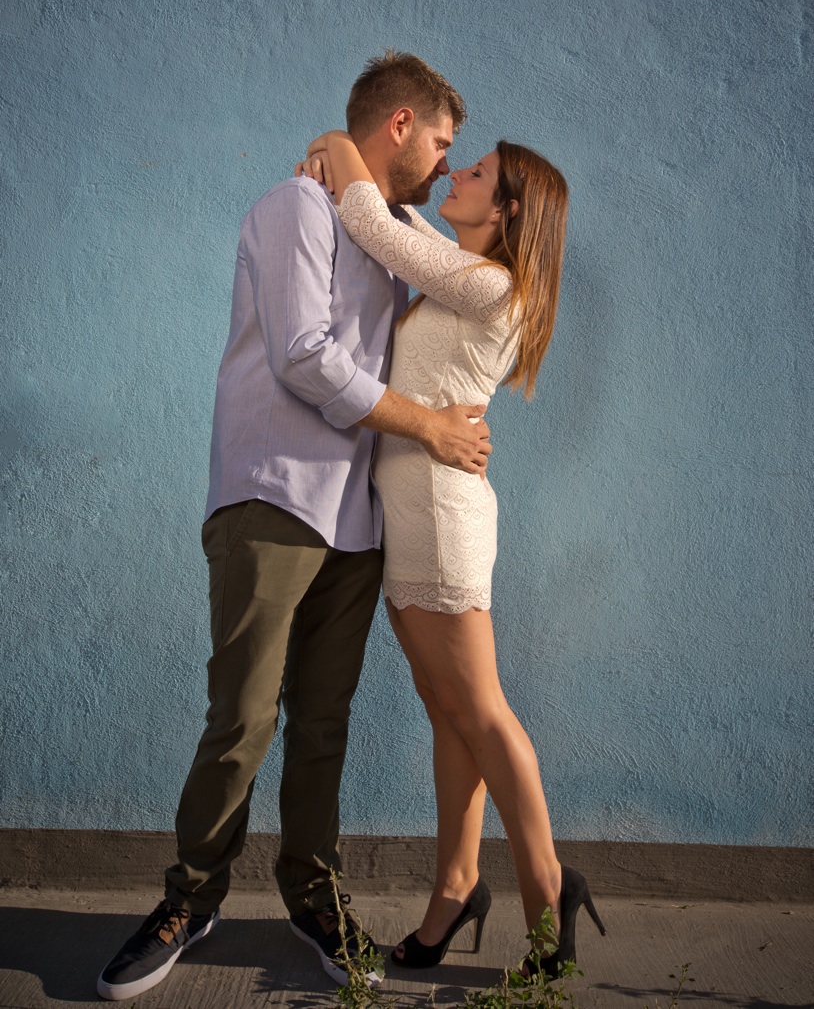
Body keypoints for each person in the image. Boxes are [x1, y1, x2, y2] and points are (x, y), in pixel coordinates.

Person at [95, 52, 494, 1002]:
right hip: (273, 497)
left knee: (324, 725)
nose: (448, 166)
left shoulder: (386, 230)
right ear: (399, 124)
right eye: (443, 142)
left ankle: (313, 898)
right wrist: (429, 424)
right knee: (242, 718)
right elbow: (306, 359)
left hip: (356, 522)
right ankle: (190, 898)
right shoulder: (297, 208)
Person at [299, 129, 606, 978]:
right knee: (452, 716)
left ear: (507, 211)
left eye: (475, 173)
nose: (455, 173)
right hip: (419, 515)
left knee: (482, 712)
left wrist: (334, 142)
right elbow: (403, 223)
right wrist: (392, 182)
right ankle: (456, 888)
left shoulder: (487, 284)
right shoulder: (469, 276)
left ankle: (548, 888)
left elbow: (375, 222)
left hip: (441, 519)